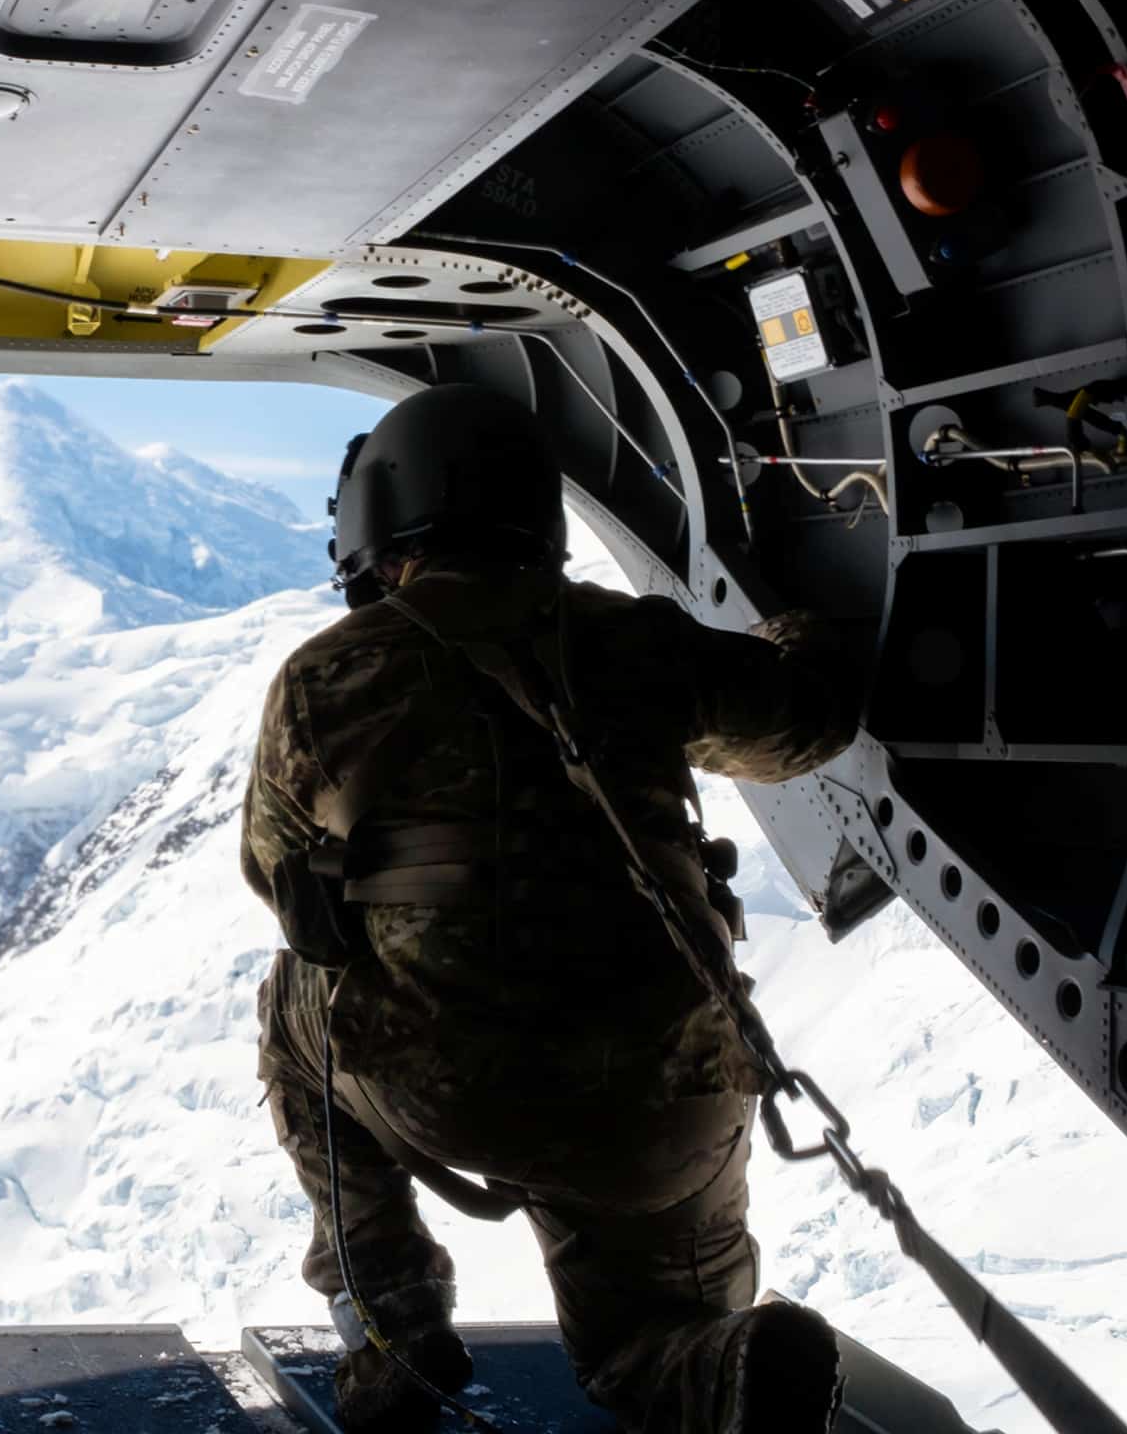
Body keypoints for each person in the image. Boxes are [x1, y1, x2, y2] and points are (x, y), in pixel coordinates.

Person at [241, 384, 864, 1433]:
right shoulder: (640, 643)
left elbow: (277, 877)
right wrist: (800, 627)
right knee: (640, 1342)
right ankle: (721, 1367)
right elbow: (804, 723)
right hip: (668, 1091)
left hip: (451, 1080)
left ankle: (390, 1322)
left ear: (382, 527)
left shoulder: (325, 677)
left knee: (293, 1003)